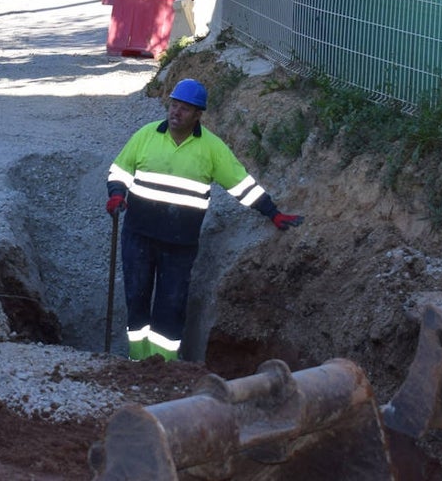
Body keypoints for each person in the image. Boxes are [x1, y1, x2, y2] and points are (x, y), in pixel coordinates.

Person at [106, 78, 303, 361]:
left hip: (179, 244)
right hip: (138, 236)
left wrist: (272, 212)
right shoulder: (146, 135)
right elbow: (120, 171)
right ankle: (137, 361)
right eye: (174, 105)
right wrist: (116, 194)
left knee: (170, 306)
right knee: (137, 299)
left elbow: (240, 185)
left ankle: (164, 365)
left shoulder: (212, 149)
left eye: (185, 109)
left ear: (198, 115)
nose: (176, 112)